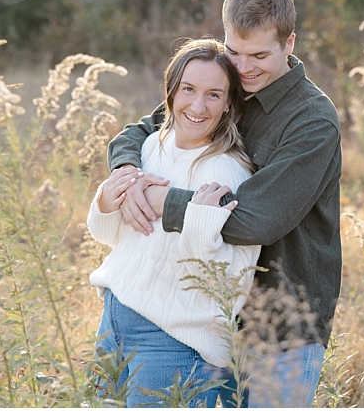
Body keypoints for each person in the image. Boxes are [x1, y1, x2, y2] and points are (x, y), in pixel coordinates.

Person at [106, 0, 342, 407]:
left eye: (259, 56)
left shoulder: (312, 121)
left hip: (281, 326)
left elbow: (257, 219)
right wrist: (127, 173)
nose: (245, 66)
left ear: (289, 43)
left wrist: (163, 201)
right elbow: (143, 130)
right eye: (235, 50)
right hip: (209, 317)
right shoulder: (224, 84)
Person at [88, 38, 260, 407]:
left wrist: (199, 224)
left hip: (173, 342)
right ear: (171, 90)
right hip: (115, 319)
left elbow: (231, 283)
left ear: (229, 102)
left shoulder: (227, 171)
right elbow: (116, 238)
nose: (198, 106)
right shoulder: (152, 147)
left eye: (214, 95)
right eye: (189, 89)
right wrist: (108, 198)